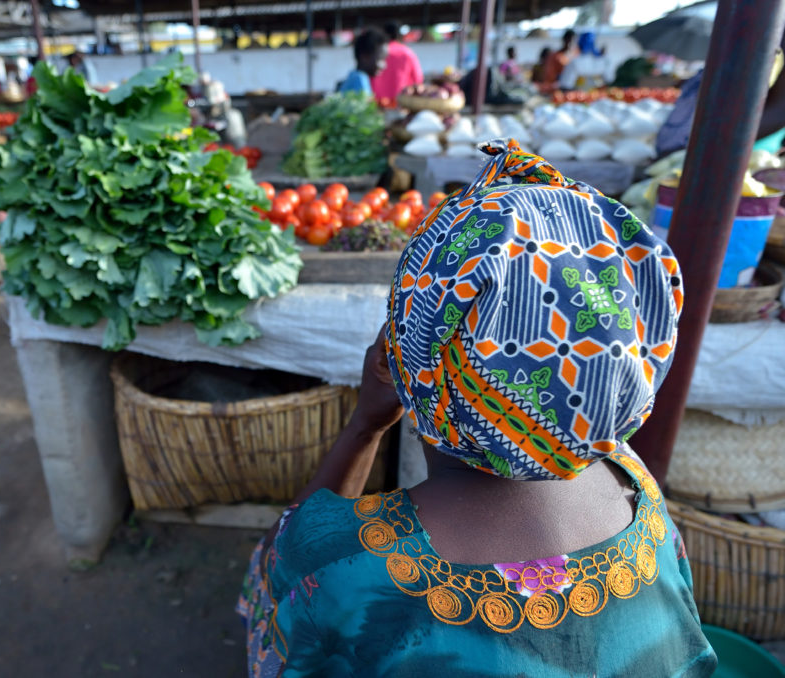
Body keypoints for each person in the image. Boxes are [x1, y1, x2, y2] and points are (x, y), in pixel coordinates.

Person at [238, 139, 716, 677]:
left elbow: (270, 589)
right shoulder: (640, 493)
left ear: (405, 358)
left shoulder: (348, 569)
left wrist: (364, 427)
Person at [657, 33, 785, 157]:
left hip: (737, 156)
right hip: (694, 149)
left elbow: (780, 110)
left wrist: (709, 147)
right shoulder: (738, 22)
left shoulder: (776, 29)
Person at [371, 22, 424, 100]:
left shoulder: (378, 52)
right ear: (399, 35)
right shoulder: (408, 53)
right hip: (401, 104)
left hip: (377, 103)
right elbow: (418, 80)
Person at [339, 28, 388, 96]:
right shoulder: (359, 80)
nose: (384, 65)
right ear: (364, 57)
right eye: (381, 59)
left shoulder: (355, 76)